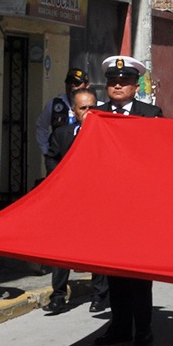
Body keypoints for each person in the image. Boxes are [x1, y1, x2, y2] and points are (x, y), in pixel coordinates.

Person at [94, 55, 164, 346]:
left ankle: (143, 328)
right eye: (113, 82)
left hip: (139, 206)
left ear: (136, 86)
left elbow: (159, 157)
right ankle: (119, 326)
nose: (118, 85)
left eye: (124, 82)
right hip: (110, 206)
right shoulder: (96, 117)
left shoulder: (151, 113)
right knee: (114, 271)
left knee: (138, 273)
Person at [44, 88, 110, 315]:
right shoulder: (62, 134)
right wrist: (59, 180)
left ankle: (100, 295)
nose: (89, 112)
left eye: (93, 107)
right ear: (74, 111)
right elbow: (51, 157)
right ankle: (58, 296)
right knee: (62, 248)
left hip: (98, 200)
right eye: (84, 108)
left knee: (97, 248)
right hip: (69, 200)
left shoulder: (107, 133)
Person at [35, 67, 92, 156]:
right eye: (69, 82)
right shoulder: (54, 104)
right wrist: (46, 150)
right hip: (59, 157)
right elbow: (41, 126)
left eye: (77, 83)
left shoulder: (96, 106)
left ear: (87, 86)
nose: (72, 86)